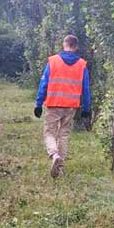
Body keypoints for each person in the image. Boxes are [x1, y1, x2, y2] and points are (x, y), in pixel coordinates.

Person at [33, 34, 91, 178]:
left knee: (49, 133)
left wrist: (39, 103)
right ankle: (60, 168)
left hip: (53, 103)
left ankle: (54, 155)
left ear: (64, 44)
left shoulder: (53, 61)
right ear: (76, 47)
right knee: (64, 134)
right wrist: (86, 108)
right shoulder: (82, 64)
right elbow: (86, 88)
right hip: (71, 106)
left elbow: (43, 84)